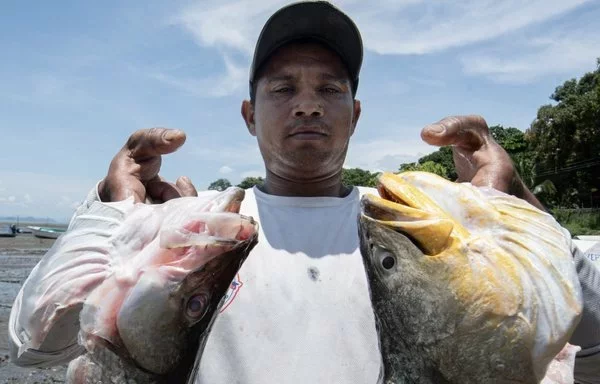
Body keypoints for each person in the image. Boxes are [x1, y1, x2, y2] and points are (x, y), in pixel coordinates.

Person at [9, 1, 600, 383]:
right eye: (282, 87)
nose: (308, 102)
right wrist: (114, 204)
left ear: (356, 112)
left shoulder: (414, 228)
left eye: (331, 88)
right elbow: (39, 339)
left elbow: (589, 318)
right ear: (248, 114)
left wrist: (517, 204)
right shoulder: (195, 227)